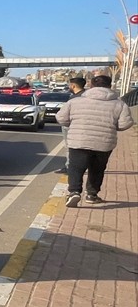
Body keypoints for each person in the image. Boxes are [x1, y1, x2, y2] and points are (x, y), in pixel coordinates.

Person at [55, 74, 133, 207]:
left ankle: (74, 192)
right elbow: (125, 123)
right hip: (104, 143)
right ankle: (92, 194)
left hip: (78, 140)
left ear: (91, 86)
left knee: (75, 168)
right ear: (110, 86)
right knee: (97, 169)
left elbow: (61, 118)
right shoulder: (119, 104)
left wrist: (73, 124)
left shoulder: (75, 101)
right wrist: (113, 127)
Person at [59, 76, 87, 171]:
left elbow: (63, 115)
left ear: (73, 85)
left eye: (69, 85)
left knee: (69, 147)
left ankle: (69, 167)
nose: (69, 87)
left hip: (71, 125)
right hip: (82, 125)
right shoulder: (87, 96)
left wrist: (64, 123)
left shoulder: (74, 98)